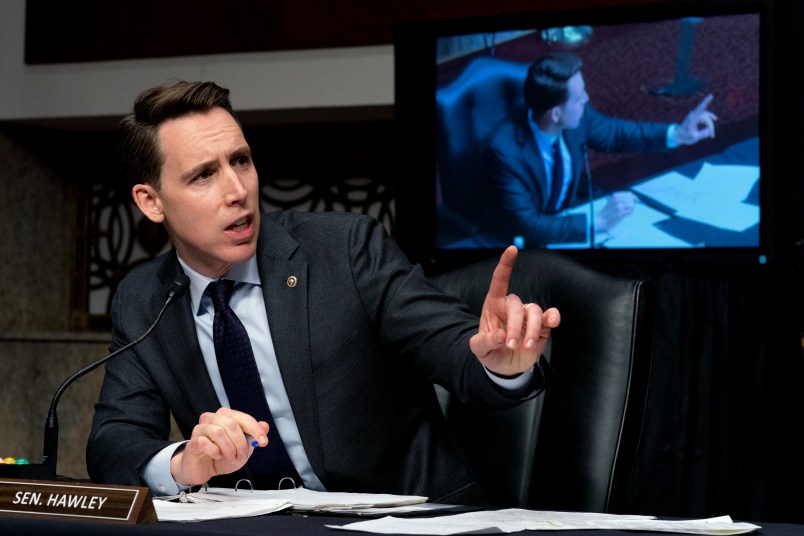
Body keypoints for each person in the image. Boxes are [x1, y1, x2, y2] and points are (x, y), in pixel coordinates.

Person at [86, 80, 561, 505]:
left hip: (402, 521)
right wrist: (183, 463)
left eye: (242, 161)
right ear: (151, 202)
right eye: (203, 175)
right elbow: (114, 442)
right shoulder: (143, 297)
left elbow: (452, 346)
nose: (237, 191)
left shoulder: (345, 249)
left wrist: (499, 366)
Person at [483, 51, 717, 246]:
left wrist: (677, 134)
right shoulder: (505, 150)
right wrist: (598, 222)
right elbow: (527, 224)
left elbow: (617, 134)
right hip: (520, 247)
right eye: (578, 97)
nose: (586, 99)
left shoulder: (575, 119)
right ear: (555, 113)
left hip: (566, 222)